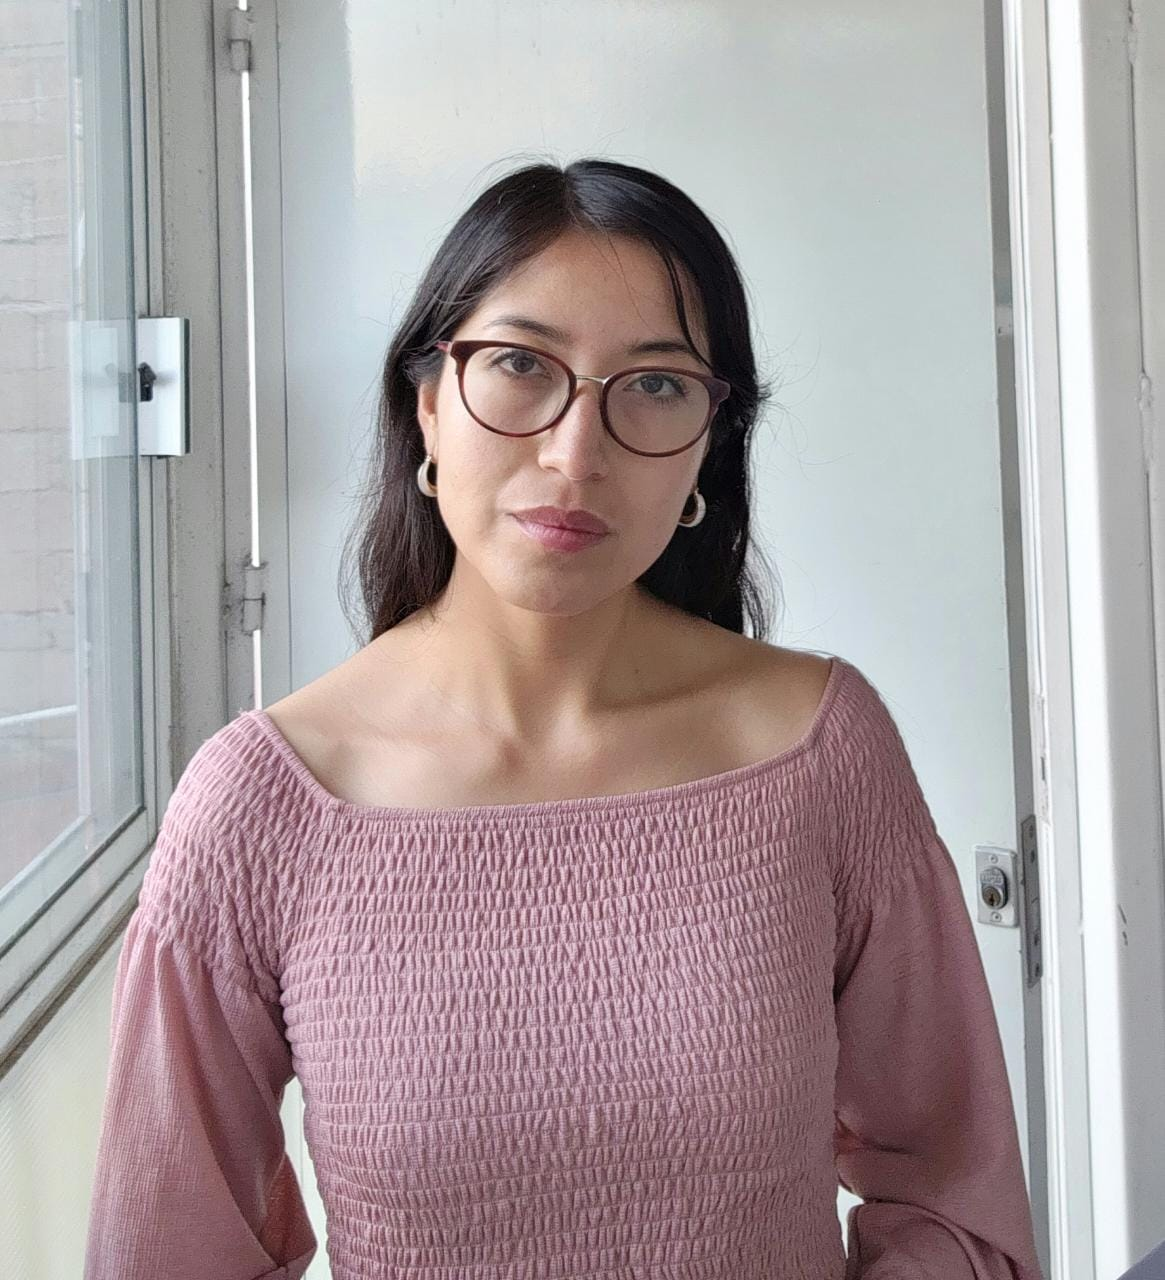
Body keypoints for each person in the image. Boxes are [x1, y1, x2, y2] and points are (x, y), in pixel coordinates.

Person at [82, 157, 1044, 1280]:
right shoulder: (265, 803)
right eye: (519, 367)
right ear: (428, 404)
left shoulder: (818, 747)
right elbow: (164, 1251)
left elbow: (954, 1196)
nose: (574, 453)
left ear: (707, 445)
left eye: (654, 385)